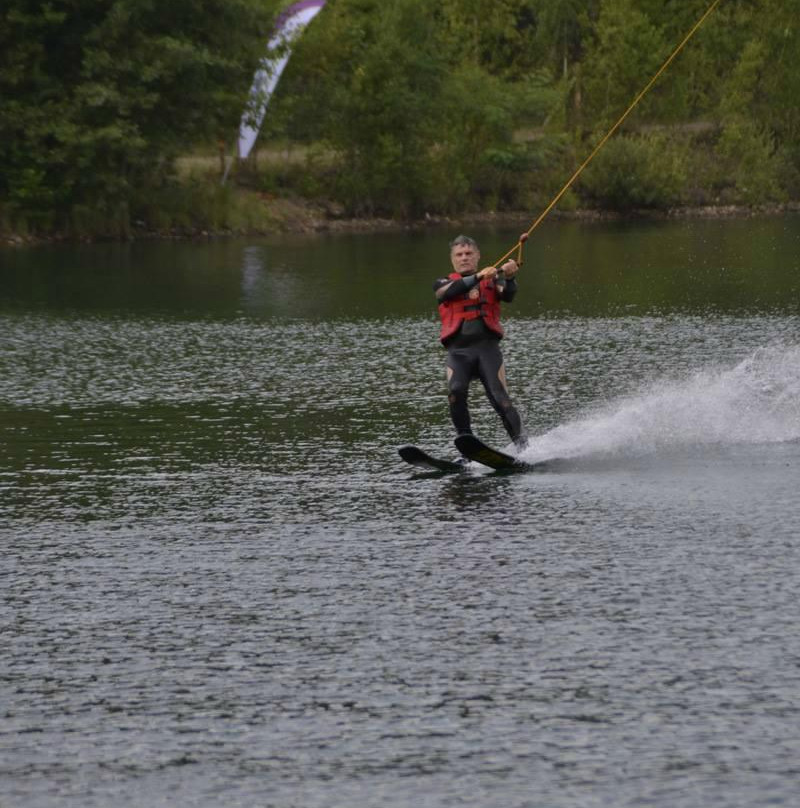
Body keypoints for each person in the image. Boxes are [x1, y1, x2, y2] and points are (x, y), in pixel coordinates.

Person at [434, 234, 528, 450]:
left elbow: (509, 296)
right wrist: (478, 277)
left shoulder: (493, 281)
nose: (464, 257)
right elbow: (450, 291)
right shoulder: (442, 283)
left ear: (477, 256)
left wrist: (511, 278)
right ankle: (467, 448)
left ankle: (524, 449)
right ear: (453, 259)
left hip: (488, 351)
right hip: (459, 353)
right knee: (456, 393)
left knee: (500, 399)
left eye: (469, 254)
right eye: (459, 254)